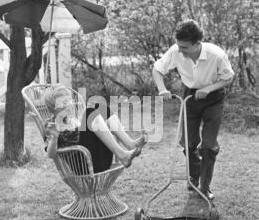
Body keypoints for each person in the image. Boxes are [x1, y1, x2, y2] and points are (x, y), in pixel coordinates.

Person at [152, 19, 235, 200]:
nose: (180, 50)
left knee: (208, 146)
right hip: (190, 97)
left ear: (198, 44)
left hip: (213, 98)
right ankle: (194, 178)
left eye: (185, 47)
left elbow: (228, 78)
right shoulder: (176, 51)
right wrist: (162, 89)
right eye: (179, 46)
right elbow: (157, 69)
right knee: (188, 143)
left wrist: (208, 89)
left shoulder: (217, 55)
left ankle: (204, 188)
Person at [44, 85, 147, 174]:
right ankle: (123, 155)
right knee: (89, 112)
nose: (70, 104)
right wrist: (54, 137)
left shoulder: (74, 120)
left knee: (101, 107)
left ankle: (130, 144)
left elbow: (91, 134)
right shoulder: (51, 125)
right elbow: (51, 155)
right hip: (85, 167)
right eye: (64, 102)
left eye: (69, 100)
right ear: (54, 107)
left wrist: (104, 126)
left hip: (101, 159)